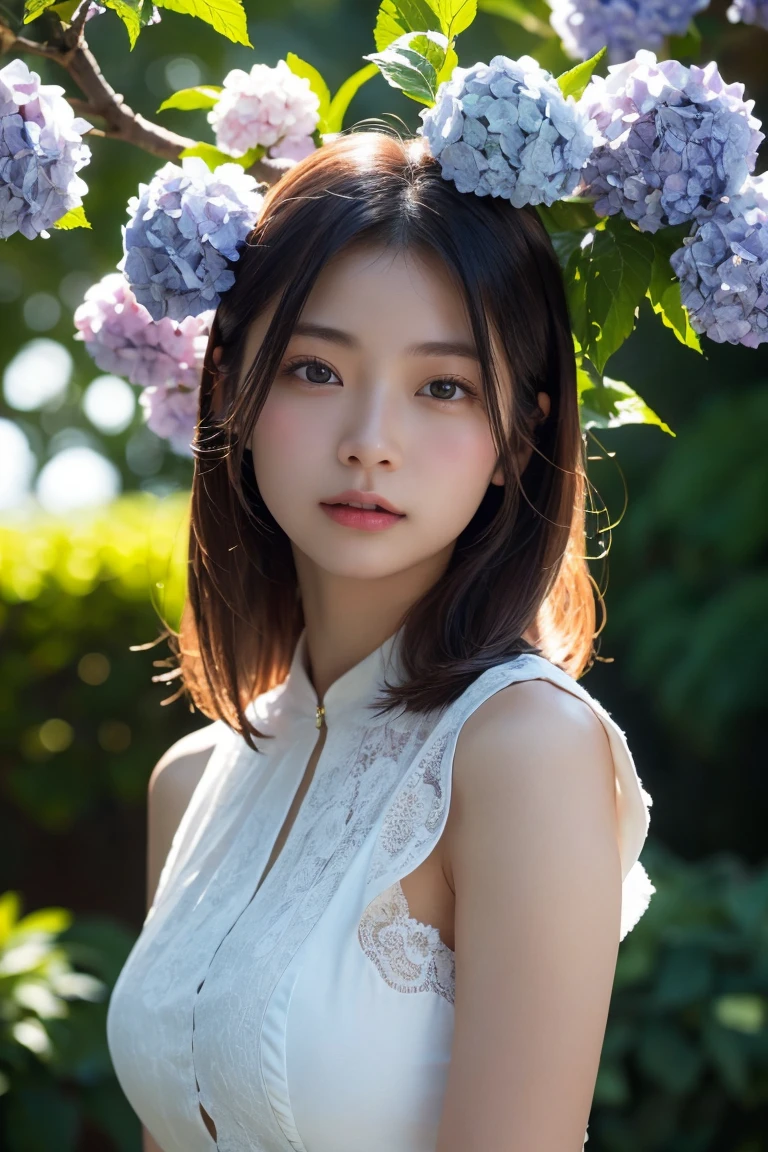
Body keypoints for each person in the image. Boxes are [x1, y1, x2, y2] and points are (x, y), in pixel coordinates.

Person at [106, 129, 654, 1152]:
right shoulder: (192, 780)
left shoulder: (522, 750)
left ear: (518, 439)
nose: (370, 438)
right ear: (230, 388)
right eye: (316, 370)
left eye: (442, 387)